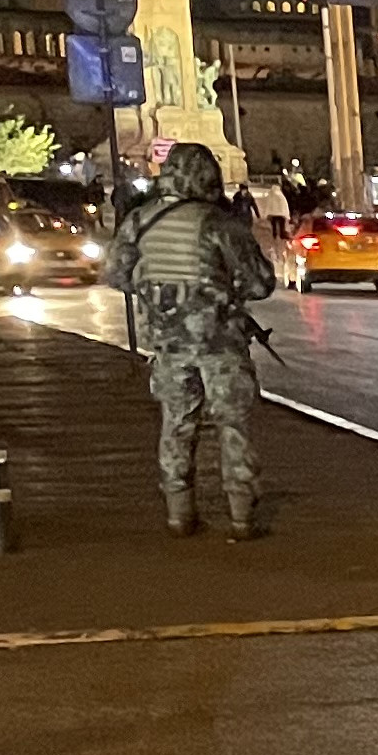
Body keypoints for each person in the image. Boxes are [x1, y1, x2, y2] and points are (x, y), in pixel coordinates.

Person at [109, 144, 278, 538]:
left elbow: (117, 275)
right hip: (219, 343)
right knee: (232, 426)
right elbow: (260, 283)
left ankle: (179, 514)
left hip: (167, 345)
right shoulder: (218, 222)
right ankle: (241, 517)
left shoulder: (139, 220)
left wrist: (156, 289)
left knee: (176, 425)